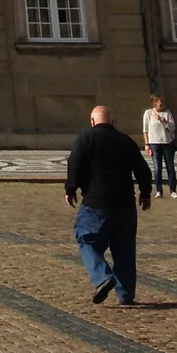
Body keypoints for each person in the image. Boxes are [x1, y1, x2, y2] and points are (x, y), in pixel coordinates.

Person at [64, 104, 152, 306]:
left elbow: (74, 164)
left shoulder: (85, 139)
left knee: (87, 239)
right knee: (124, 250)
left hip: (96, 202)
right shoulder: (125, 140)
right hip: (125, 203)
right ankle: (126, 295)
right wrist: (145, 193)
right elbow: (142, 169)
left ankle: (102, 276)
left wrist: (71, 189)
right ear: (112, 121)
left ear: (92, 121)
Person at [142, 94, 177, 198]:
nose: (160, 103)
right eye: (158, 101)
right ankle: (159, 190)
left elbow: (173, 127)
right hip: (154, 143)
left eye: (161, 101)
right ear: (153, 103)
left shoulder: (167, 113)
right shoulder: (148, 113)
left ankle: (173, 190)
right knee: (157, 167)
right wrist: (147, 144)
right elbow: (145, 130)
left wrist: (163, 120)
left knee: (170, 167)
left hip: (167, 142)